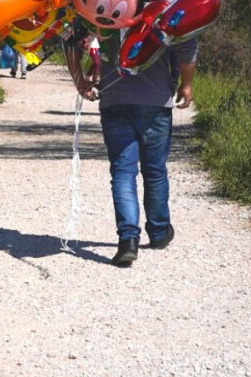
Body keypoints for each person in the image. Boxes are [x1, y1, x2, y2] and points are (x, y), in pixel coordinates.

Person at [65, 30, 196, 267]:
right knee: (154, 171)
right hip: (156, 102)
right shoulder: (166, 7)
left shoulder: (101, 4)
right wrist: (186, 84)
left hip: (114, 100)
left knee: (123, 171)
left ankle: (128, 240)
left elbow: (71, 38)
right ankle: (158, 232)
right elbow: (187, 45)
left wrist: (80, 81)